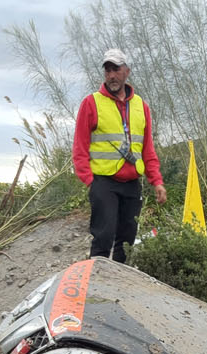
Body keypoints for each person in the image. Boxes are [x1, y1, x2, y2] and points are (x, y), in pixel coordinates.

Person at [72, 47, 167, 264]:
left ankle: (118, 282)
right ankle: (96, 281)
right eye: (107, 70)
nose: (111, 75)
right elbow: (79, 148)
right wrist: (90, 181)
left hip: (132, 184)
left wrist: (156, 181)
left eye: (116, 69)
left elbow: (147, 149)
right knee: (103, 237)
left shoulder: (141, 106)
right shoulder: (91, 103)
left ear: (127, 71)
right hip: (103, 182)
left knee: (127, 241)